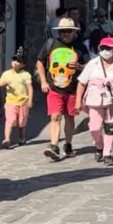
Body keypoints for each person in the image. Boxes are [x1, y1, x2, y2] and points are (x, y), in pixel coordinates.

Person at [37, 18, 90, 161]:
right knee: (55, 116)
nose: (65, 34)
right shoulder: (51, 44)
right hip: (54, 88)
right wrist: (43, 81)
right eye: (62, 31)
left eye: (68, 31)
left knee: (70, 117)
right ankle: (54, 145)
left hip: (72, 89)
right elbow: (40, 62)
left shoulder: (80, 47)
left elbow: (89, 66)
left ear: (74, 32)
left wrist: (79, 67)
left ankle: (68, 144)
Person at [75, 37, 113, 167]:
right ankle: (99, 146)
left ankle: (107, 153)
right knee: (94, 127)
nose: (106, 51)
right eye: (103, 48)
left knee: (111, 126)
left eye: (108, 48)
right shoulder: (93, 64)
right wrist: (78, 102)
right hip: (95, 98)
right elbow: (82, 83)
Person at [0, 52, 33, 149]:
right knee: (10, 120)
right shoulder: (6, 74)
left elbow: (30, 87)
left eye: (19, 61)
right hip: (11, 102)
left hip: (23, 102)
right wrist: (4, 83)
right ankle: (7, 139)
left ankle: (22, 137)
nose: (16, 62)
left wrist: (30, 100)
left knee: (22, 122)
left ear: (23, 65)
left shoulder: (25, 75)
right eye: (14, 60)